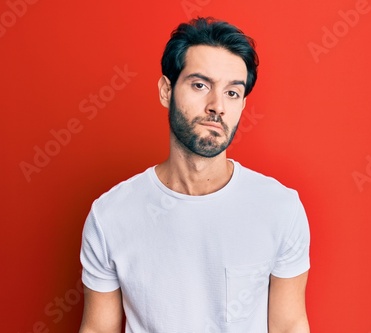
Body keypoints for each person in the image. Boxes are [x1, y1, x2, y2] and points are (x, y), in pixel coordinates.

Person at [79, 17, 310, 333]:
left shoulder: (279, 208)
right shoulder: (110, 215)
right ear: (166, 91)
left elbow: (289, 326)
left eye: (232, 92)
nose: (217, 106)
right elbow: (98, 329)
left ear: (242, 104)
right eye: (201, 85)